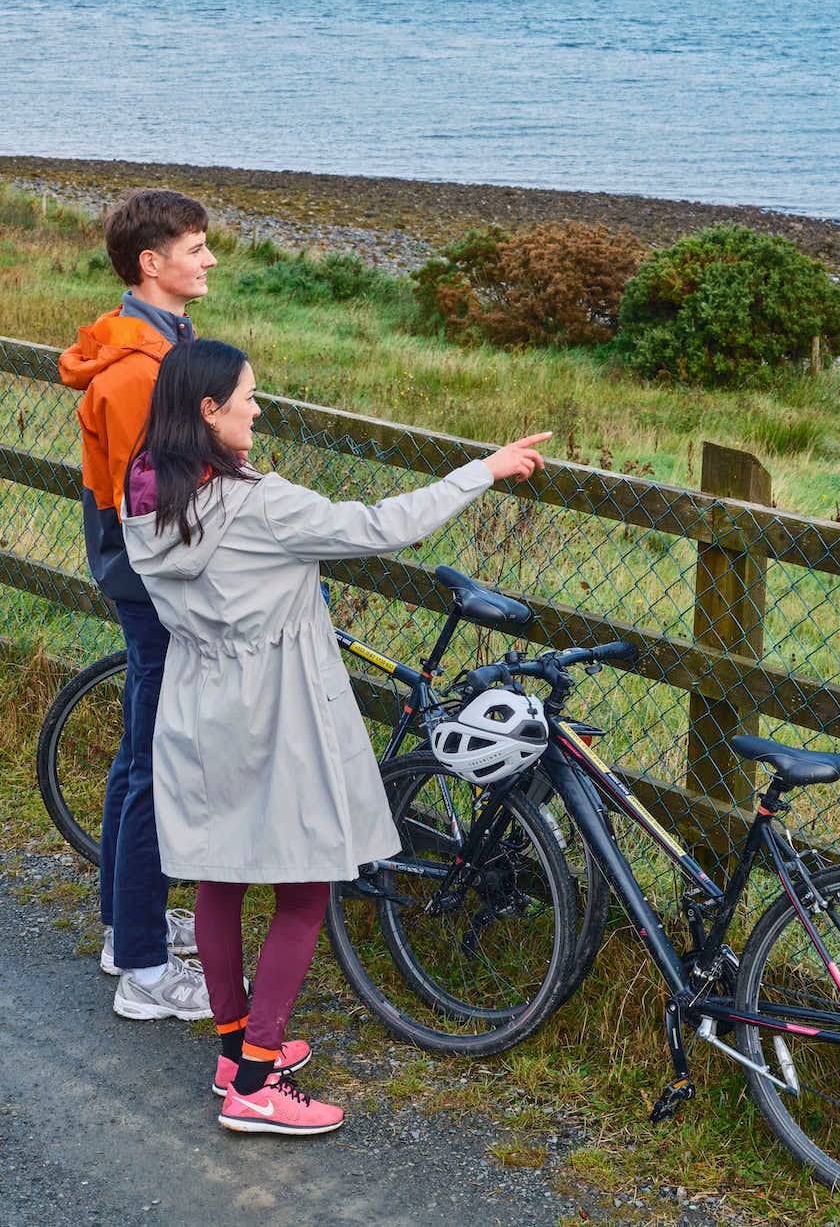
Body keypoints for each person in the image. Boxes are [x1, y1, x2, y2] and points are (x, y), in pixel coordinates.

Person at [121, 339, 548, 1137]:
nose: (259, 408)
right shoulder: (259, 504)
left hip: (196, 704)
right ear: (208, 411)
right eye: (248, 397)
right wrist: (480, 471)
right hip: (275, 718)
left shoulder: (145, 496)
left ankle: (231, 1050)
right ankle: (255, 1081)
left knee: (219, 878)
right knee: (305, 889)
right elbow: (380, 526)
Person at [58, 189, 218, 1022]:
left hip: (144, 574)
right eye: (196, 248)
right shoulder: (131, 375)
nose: (210, 260)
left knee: (139, 752)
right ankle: (146, 975)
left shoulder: (165, 345)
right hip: (152, 581)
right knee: (155, 763)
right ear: (151, 263)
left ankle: (129, 927)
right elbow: (146, 507)